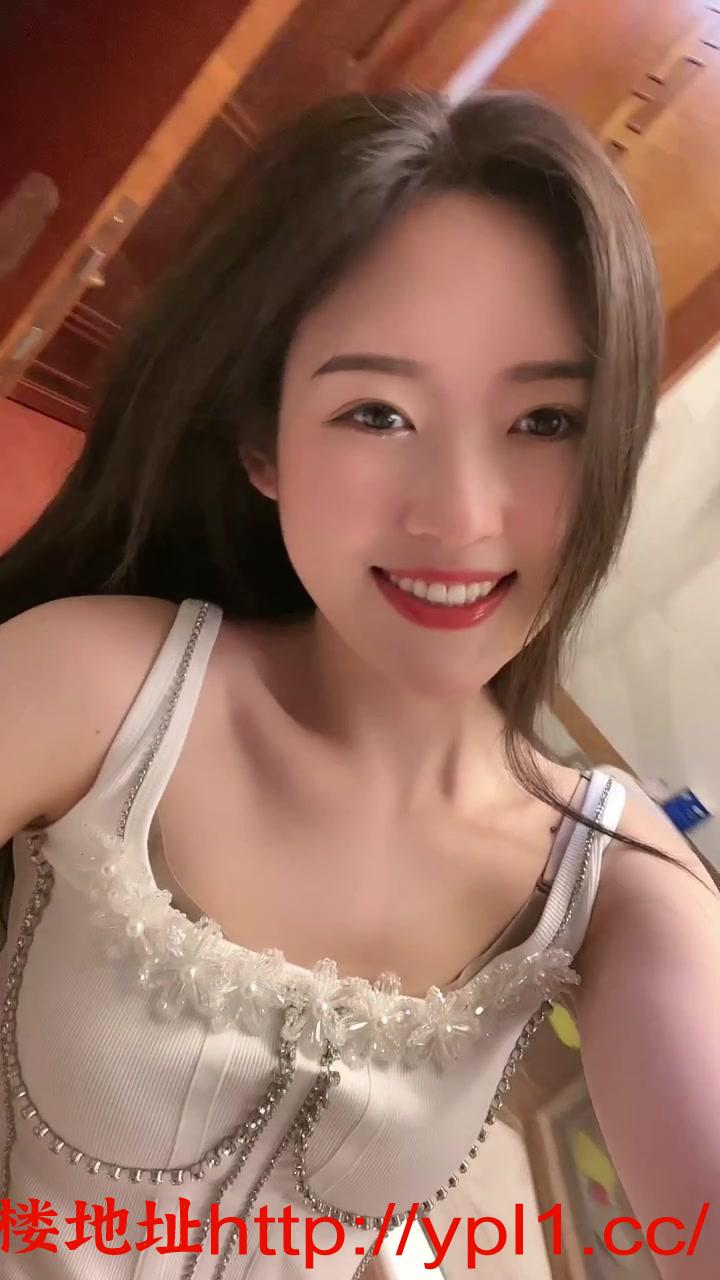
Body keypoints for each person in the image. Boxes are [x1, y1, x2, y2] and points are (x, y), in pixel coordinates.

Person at [0, 88, 717, 1280]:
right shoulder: (100, 685)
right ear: (264, 444)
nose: (461, 515)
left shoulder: (611, 873)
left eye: (546, 420)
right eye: (377, 411)